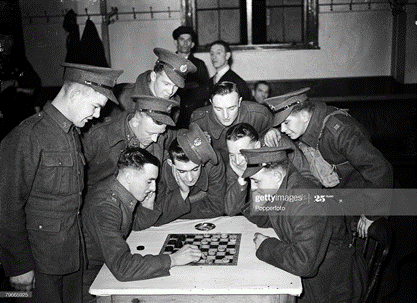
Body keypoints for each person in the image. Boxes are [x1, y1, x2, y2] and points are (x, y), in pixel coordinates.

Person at [0, 62, 123, 303]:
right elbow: (5, 207)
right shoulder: (28, 136)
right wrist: (18, 267)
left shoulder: (71, 133)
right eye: (96, 106)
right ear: (76, 94)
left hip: (70, 257)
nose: (97, 116)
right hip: (39, 265)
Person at [239, 147, 367, 302]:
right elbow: (270, 218)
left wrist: (266, 246)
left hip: (331, 289)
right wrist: (256, 200)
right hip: (317, 278)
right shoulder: (286, 188)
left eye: (256, 181)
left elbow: (304, 263)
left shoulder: (306, 203)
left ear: (277, 175)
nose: (253, 188)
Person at [264, 87, 393, 238]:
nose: (283, 129)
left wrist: (373, 214)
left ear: (305, 115)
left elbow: (379, 169)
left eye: (286, 123)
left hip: (372, 199)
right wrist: (272, 131)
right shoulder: (306, 124)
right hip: (344, 202)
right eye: (280, 125)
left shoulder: (340, 131)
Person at [82, 147, 202, 303]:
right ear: (130, 176)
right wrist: (173, 259)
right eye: (149, 181)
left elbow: (133, 225)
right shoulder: (105, 206)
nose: (153, 188)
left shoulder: (116, 188)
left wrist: (147, 205)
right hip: (92, 282)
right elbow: (122, 267)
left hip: (105, 269)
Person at [82, 95, 180, 187]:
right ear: (135, 122)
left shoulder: (159, 133)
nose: (155, 139)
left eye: (160, 134)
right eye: (150, 133)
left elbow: (182, 136)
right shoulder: (98, 135)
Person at [225, 123, 318, 215]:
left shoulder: (278, 146)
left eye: (242, 153)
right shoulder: (235, 164)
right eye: (232, 154)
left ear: (257, 146)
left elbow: (311, 181)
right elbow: (231, 211)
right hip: (263, 219)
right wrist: (242, 180)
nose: (237, 161)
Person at [190, 81, 280, 164]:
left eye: (231, 108)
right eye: (218, 109)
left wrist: (273, 130)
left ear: (240, 102)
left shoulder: (259, 114)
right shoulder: (199, 120)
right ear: (211, 103)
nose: (225, 116)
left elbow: (281, 131)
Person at [154, 123, 226, 225]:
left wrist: (172, 211)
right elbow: (154, 217)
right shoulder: (158, 169)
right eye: (182, 171)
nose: (190, 178)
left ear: (202, 164)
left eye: (195, 169)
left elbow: (216, 208)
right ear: (170, 163)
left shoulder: (213, 164)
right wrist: (182, 193)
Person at [114, 47, 197, 115]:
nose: (170, 92)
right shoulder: (121, 97)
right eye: (166, 84)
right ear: (153, 76)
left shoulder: (175, 102)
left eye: (175, 86)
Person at [0, 32, 42, 139]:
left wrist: (14, 83)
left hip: (20, 112)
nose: (6, 43)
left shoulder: (19, 60)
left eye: (9, 38)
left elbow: (35, 82)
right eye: (2, 38)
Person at [172, 26, 210, 128]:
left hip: (193, 114)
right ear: (176, 42)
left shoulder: (199, 64)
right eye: (182, 40)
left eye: (188, 40)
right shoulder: (168, 62)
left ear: (192, 44)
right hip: (172, 112)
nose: (185, 43)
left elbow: (205, 90)